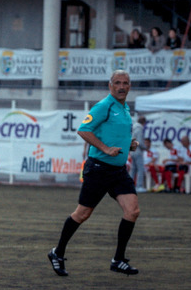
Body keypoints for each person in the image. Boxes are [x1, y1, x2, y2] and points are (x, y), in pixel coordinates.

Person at [47, 70, 141, 277]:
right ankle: (57, 252)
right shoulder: (104, 106)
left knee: (132, 211)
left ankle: (118, 260)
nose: (122, 86)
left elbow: (116, 134)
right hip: (98, 169)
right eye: (117, 83)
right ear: (110, 86)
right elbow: (83, 129)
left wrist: (129, 144)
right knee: (82, 214)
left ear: (130, 86)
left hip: (118, 171)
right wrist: (106, 148)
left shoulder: (124, 109)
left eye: (125, 83)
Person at [130, 114, 146, 192]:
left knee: (133, 169)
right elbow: (139, 141)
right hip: (138, 151)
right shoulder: (139, 129)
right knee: (140, 169)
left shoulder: (134, 128)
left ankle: (130, 185)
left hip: (132, 151)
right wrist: (145, 147)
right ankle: (139, 186)